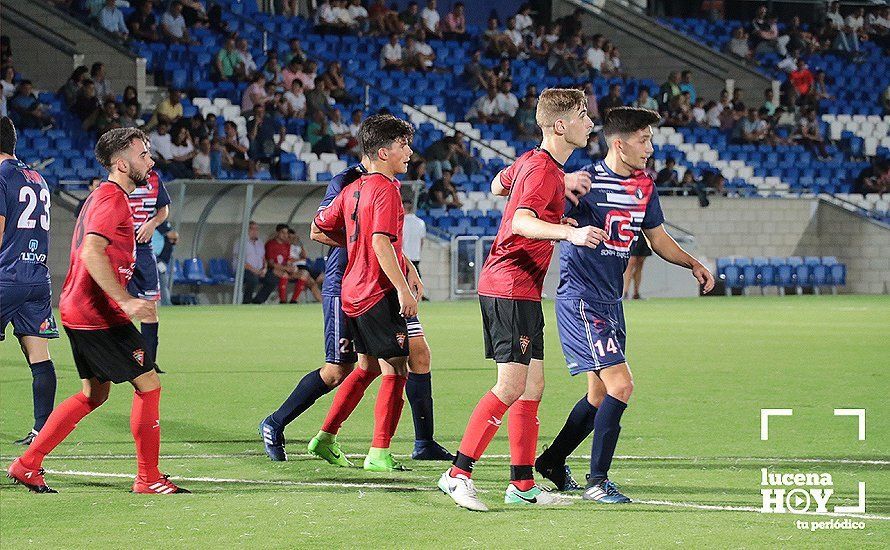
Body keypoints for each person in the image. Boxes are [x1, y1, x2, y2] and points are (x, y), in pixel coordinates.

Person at [534, 107, 714, 502]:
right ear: (620, 143)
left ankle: (551, 459)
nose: (650, 148)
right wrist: (558, 193)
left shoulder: (644, 186)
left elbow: (657, 238)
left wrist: (693, 263)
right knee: (622, 384)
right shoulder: (582, 182)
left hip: (611, 301)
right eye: (644, 140)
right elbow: (532, 212)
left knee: (599, 395)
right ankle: (597, 482)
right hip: (581, 300)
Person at [437, 88, 604, 512]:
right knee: (511, 385)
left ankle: (523, 484)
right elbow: (520, 220)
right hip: (509, 285)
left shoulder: (537, 164)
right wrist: (570, 231)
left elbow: (498, 184)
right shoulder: (544, 170)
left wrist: (555, 208)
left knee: (533, 386)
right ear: (561, 125)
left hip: (521, 287)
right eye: (584, 116)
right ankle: (457, 474)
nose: (590, 123)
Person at [260, 116, 452, 465]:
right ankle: (283, 424)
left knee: (411, 356)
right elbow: (331, 231)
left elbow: (382, 238)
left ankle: (421, 441)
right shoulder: (351, 182)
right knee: (350, 369)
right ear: (381, 149)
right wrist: (368, 251)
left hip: (375, 282)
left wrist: (406, 267)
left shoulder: (374, 185)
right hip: (353, 284)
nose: (409, 151)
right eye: (403, 144)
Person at [6, 127, 188, 494]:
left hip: (81, 309)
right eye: (142, 155)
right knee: (149, 385)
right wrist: (124, 300)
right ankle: (148, 478)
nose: (150, 161)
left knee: (94, 394)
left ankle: (28, 463)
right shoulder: (112, 199)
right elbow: (91, 252)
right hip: (97, 313)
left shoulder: (102, 196)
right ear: (121, 164)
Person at [0, 117, 59, 447]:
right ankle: (43, 432)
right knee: (39, 356)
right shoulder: (37, 177)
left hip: (5, 277)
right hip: (37, 278)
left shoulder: (0, 177)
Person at [126, 169, 170, 375]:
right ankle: (117, 359)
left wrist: (152, 223)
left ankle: (149, 362)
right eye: (144, 152)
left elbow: (163, 209)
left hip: (144, 250)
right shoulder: (119, 176)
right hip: (120, 249)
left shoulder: (154, 178)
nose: (149, 158)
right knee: (120, 308)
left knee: (149, 307)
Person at [234, 221, 278, 304]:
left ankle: (257, 301)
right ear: (247, 230)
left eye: (256, 229)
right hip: (243, 270)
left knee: (272, 279)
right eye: (252, 229)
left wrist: (264, 268)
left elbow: (263, 258)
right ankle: (246, 302)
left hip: (259, 270)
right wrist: (255, 271)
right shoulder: (241, 242)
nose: (255, 231)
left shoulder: (260, 243)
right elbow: (241, 261)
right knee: (252, 279)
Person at [402, 199, 426, 278]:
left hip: (404, 258)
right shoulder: (420, 222)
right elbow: (422, 241)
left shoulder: (401, 222)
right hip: (415, 257)